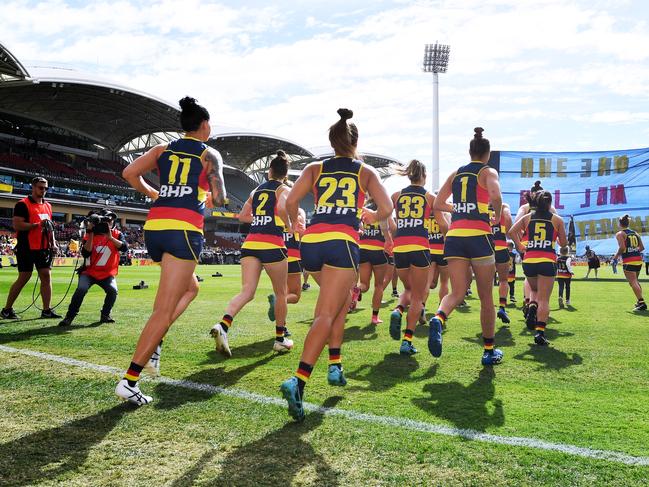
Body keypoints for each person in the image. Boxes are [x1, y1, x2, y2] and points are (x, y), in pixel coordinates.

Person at [280, 108, 392, 422]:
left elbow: (291, 202)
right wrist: (371, 215)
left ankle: (335, 365)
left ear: (332, 141)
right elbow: (387, 207)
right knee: (326, 314)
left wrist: (293, 227)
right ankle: (298, 382)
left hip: (312, 242)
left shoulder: (316, 168)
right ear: (356, 141)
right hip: (342, 242)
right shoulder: (365, 171)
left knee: (340, 303)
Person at [115, 97, 226, 405]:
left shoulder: (161, 150)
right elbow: (219, 198)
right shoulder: (209, 153)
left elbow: (128, 173)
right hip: (184, 231)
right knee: (163, 310)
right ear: (204, 125)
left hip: (155, 229)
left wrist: (153, 192)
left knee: (191, 288)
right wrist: (205, 194)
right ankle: (130, 379)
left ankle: (156, 343)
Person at [429, 127, 503, 366]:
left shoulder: (456, 173)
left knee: (457, 292)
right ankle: (489, 350)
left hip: (455, 237)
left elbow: (439, 203)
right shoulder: (487, 171)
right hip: (479, 236)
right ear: (487, 154)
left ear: (469, 151)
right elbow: (496, 195)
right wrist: (496, 216)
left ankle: (439, 318)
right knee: (485, 297)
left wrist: (460, 208)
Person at [211, 150, 294, 356]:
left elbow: (242, 216)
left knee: (246, 292)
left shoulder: (256, 191)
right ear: (285, 174)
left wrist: (260, 218)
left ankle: (223, 325)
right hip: (273, 244)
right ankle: (279, 339)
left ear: (269, 172)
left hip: (251, 244)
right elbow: (283, 208)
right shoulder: (284, 189)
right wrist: (288, 225)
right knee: (281, 294)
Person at [388, 160, 435, 355]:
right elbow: (441, 222)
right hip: (420, 246)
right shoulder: (429, 197)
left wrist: (392, 234)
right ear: (423, 176)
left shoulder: (396, 195)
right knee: (418, 294)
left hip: (400, 246)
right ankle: (407, 340)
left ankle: (398, 309)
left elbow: (384, 214)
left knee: (408, 288)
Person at [510, 190, 567, 345]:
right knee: (545, 299)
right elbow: (563, 243)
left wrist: (520, 245)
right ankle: (540, 333)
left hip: (529, 260)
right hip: (547, 260)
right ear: (549, 203)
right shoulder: (557, 219)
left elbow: (511, 232)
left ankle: (531, 304)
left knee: (534, 290)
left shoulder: (527, 217)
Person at [1, 176, 61, 320]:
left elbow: (50, 227)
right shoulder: (22, 204)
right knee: (24, 277)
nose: (44, 190)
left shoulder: (48, 206)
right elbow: (17, 225)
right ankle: (7, 309)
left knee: (46, 276)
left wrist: (53, 243)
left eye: (46, 188)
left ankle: (46, 310)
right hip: (26, 246)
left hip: (43, 247)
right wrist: (36, 225)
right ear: (33, 187)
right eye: (41, 187)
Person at [58, 209, 128, 327]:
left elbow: (124, 247)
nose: (110, 222)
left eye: (111, 220)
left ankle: (105, 315)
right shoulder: (90, 234)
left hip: (107, 273)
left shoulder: (117, 234)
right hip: (89, 272)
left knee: (112, 291)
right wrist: (90, 232)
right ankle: (69, 316)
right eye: (107, 219)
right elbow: (86, 253)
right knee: (81, 289)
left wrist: (110, 238)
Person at [356, 203, 394, 324]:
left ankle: (357, 289)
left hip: (363, 249)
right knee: (378, 286)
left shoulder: (364, 211)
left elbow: (357, 226)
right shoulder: (384, 210)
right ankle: (374, 317)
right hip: (378, 250)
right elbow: (394, 228)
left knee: (364, 285)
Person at [612, 214, 646, 311]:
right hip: (638, 260)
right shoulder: (635, 233)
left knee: (633, 282)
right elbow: (642, 248)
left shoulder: (620, 234)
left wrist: (615, 257)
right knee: (635, 282)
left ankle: (642, 303)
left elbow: (622, 248)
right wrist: (634, 250)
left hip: (629, 260)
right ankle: (639, 301)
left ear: (620, 224)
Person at [491, 203, 513, 324]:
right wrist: (507, 231)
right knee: (504, 280)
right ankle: (502, 307)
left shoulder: (480, 204)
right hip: (500, 246)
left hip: (485, 248)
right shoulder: (503, 206)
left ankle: (488, 308)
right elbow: (508, 218)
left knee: (486, 282)